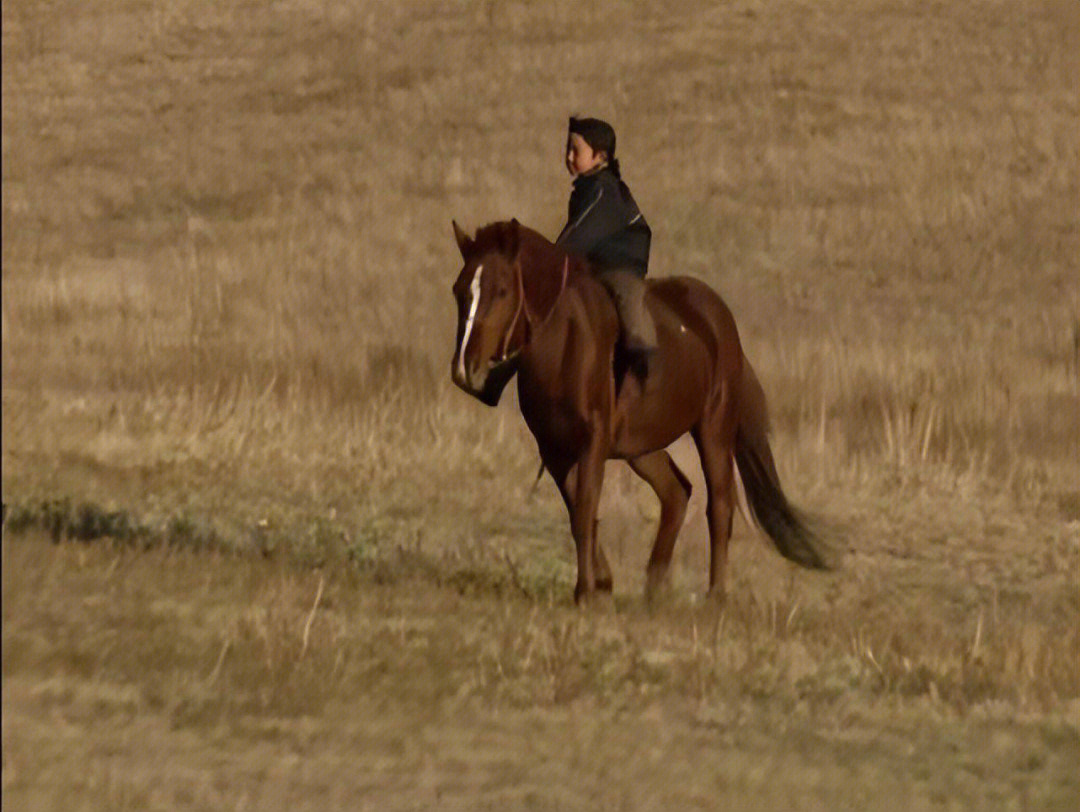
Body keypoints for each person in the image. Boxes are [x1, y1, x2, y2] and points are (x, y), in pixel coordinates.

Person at [556, 116, 657, 380]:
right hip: (592, 265)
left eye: (575, 150)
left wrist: (550, 259)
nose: (568, 156)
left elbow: (578, 237)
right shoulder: (585, 190)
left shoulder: (604, 192)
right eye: (567, 149)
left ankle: (642, 361)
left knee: (627, 293)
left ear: (599, 157)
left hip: (619, 263)